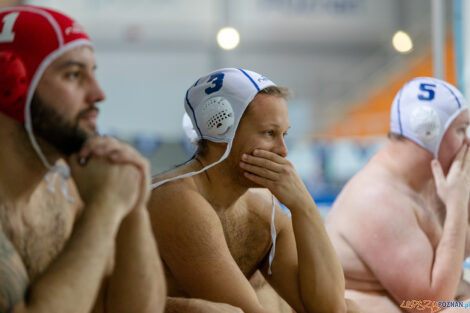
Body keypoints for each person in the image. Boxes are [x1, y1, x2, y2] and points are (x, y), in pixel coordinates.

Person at [150, 68, 358, 313]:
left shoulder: (262, 210)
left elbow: (330, 308)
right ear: (221, 130)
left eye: (284, 135)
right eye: (269, 133)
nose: (283, 150)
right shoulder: (175, 199)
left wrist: (304, 207)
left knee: (352, 308)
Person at [0, 5, 165, 313]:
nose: (98, 93)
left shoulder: (69, 191)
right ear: (10, 84)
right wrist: (106, 205)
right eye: (74, 74)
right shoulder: (88, 196)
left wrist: (133, 209)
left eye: (93, 74)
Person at [326, 77, 470, 313]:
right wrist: (457, 205)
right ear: (428, 132)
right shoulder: (376, 198)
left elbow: (458, 248)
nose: (468, 142)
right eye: (461, 130)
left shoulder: (429, 181)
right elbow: (429, 305)